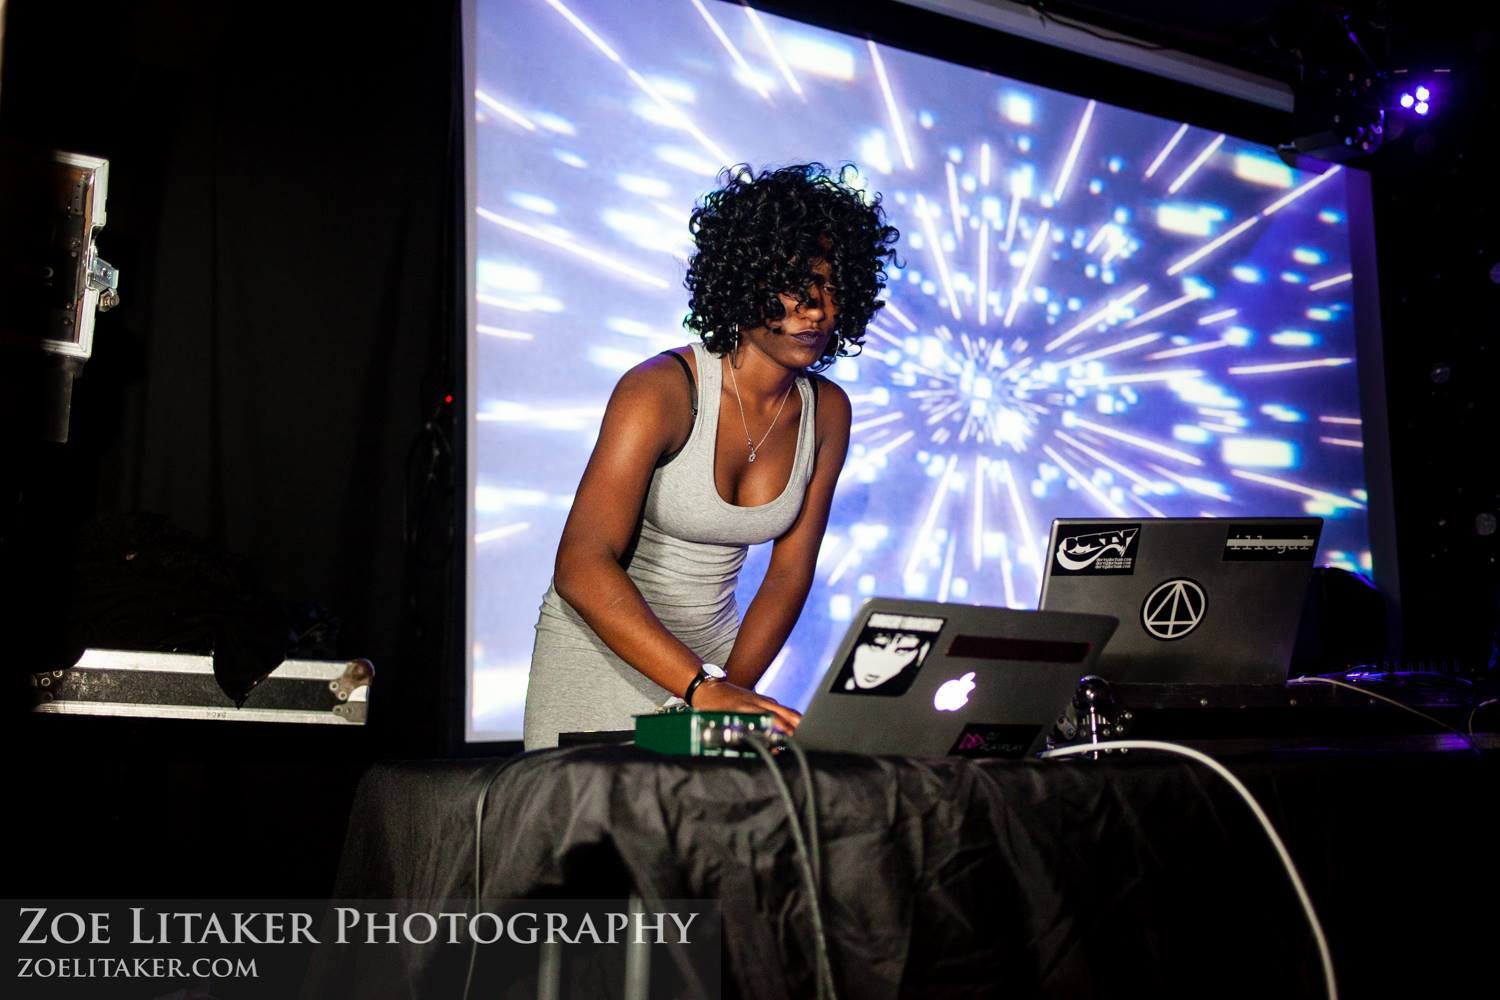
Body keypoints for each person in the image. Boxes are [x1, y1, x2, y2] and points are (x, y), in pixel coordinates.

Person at [522, 162, 900, 749]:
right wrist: (699, 687)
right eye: (795, 283)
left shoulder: (828, 411)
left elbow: (787, 575)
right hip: (601, 657)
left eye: (833, 286)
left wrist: (730, 690)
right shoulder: (660, 390)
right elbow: (581, 565)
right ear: (742, 282)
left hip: (718, 663)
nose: (816, 308)